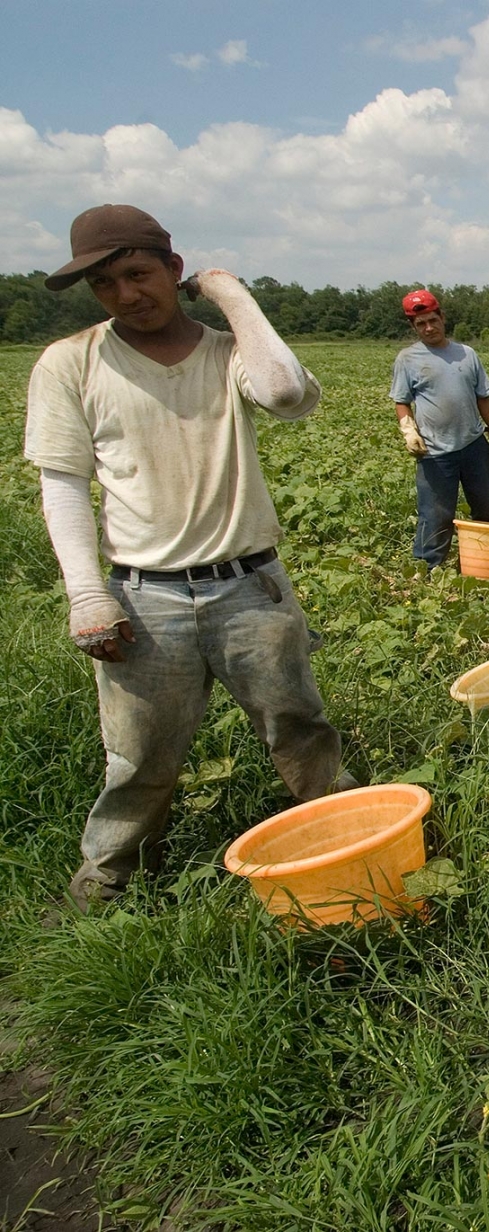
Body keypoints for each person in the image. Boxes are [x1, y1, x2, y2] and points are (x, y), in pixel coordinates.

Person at [23, 203, 357, 910]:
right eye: (105, 285)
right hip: (143, 599)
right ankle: (108, 883)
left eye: (139, 275)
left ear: (176, 270)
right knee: (140, 758)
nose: (125, 296)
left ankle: (350, 848)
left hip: (250, 588)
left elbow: (288, 393)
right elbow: (62, 486)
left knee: (299, 729)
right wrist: (87, 593)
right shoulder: (70, 363)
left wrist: (232, 295)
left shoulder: (225, 354)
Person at [390, 289, 489, 569]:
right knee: (436, 514)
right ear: (413, 326)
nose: (429, 328)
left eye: (433, 320)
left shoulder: (466, 354)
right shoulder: (408, 359)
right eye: (421, 324)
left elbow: (483, 397)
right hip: (434, 452)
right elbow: (401, 401)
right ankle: (428, 568)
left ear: (442, 317)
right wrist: (409, 430)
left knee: (484, 507)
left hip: (473, 446)